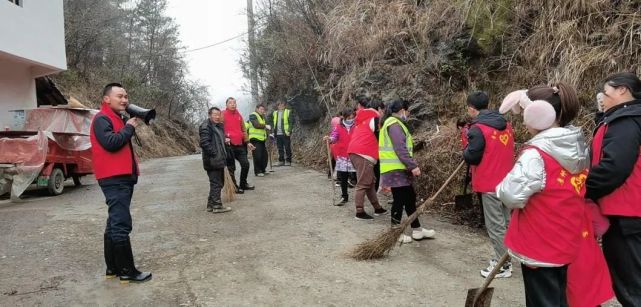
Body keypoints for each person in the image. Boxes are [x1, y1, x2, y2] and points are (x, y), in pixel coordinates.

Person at [497, 83, 611, 306]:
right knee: (559, 296)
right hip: (567, 237)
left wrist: (502, 186)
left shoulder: (535, 154)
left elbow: (511, 195)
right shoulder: (577, 147)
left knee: (542, 299)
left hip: (539, 242)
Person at [586, 72, 641, 307]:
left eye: (606, 94)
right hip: (630, 212)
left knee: (631, 286)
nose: (603, 98)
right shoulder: (627, 117)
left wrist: (584, 189)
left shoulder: (626, 121)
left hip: (626, 215)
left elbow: (614, 167)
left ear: (623, 91)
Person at [90, 83, 151, 283]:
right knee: (121, 224)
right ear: (107, 99)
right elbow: (111, 143)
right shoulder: (101, 118)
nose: (124, 100)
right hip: (114, 178)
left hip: (121, 177)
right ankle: (127, 271)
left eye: (126, 96)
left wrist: (127, 125)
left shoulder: (117, 117)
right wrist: (129, 128)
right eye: (119, 96)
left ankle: (113, 268)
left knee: (114, 222)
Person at [463, 91, 515, 278]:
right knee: (506, 221)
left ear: (471, 108)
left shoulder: (478, 129)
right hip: (508, 182)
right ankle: (505, 256)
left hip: (489, 183)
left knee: (495, 225)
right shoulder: (506, 124)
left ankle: (503, 265)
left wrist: (466, 146)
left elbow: (472, 157)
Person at [379, 99, 435, 243]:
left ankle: (417, 229)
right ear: (402, 110)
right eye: (408, 111)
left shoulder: (395, 124)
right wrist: (413, 166)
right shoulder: (394, 125)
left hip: (399, 168)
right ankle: (395, 231)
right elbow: (400, 149)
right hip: (395, 169)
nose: (408, 114)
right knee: (399, 200)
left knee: (410, 198)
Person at [347, 96, 388, 220]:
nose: (383, 113)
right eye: (383, 110)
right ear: (379, 109)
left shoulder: (363, 118)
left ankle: (377, 208)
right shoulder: (374, 118)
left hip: (356, 152)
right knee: (363, 183)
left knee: (370, 182)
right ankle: (359, 211)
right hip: (364, 153)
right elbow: (380, 137)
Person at [199, 106, 232, 213]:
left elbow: (218, 141)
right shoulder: (206, 126)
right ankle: (217, 205)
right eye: (215, 115)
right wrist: (214, 154)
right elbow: (204, 143)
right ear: (210, 115)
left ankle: (210, 204)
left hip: (219, 159)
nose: (217, 117)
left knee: (218, 182)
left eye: (219, 114)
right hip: (212, 160)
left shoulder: (219, 126)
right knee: (216, 183)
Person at [324, 108, 357, 205]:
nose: (351, 119)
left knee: (357, 176)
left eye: (353, 117)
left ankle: (360, 196)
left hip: (354, 154)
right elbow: (334, 136)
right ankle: (344, 196)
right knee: (343, 176)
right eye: (349, 117)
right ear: (344, 117)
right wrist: (329, 138)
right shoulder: (338, 127)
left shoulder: (356, 126)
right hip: (342, 155)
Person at [223, 97, 255, 193]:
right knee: (231, 167)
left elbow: (244, 130)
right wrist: (224, 138)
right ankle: (234, 186)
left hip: (240, 144)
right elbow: (219, 128)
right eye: (230, 103)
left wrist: (248, 142)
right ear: (226, 105)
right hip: (229, 145)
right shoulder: (222, 114)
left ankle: (243, 184)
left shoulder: (239, 115)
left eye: (234, 103)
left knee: (245, 164)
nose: (233, 104)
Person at [248, 104, 269, 177]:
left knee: (264, 156)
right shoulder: (253, 115)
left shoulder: (262, 117)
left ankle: (263, 169)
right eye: (261, 109)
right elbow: (256, 125)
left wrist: (269, 134)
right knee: (257, 156)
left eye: (263, 109)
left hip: (261, 139)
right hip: (254, 139)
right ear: (257, 109)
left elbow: (264, 129)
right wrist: (265, 126)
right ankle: (257, 171)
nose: (262, 111)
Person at [272, 100, 293, 166]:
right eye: (279, 105)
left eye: (282, 105)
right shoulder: (275, 113)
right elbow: (270, 121)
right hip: (277, 134)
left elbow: (291, 123)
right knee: (280, 148)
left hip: (285, 133)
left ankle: (288, 161)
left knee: (287, 147)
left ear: (284, 106)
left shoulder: (288, 112)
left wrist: (289, 131)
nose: (281, 106)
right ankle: (281, 161)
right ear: (277, 106)